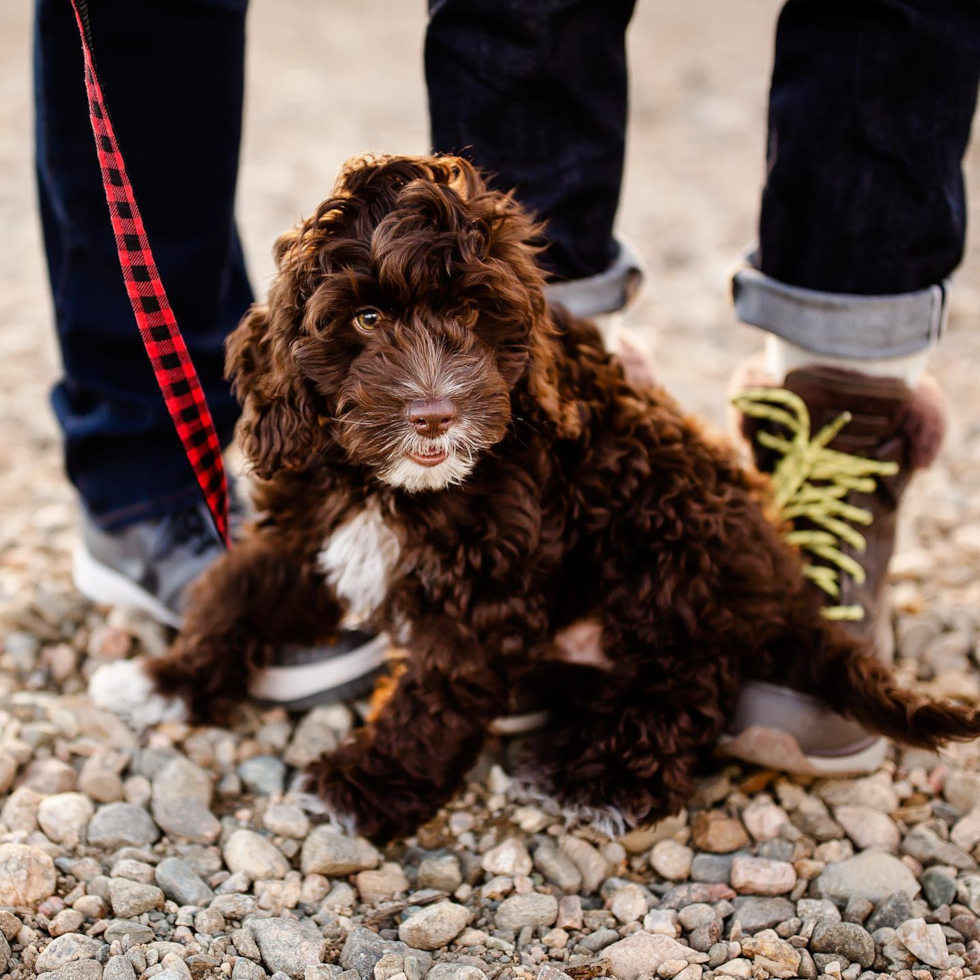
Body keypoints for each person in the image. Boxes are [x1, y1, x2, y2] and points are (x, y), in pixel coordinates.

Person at [35, 0, 979, 769]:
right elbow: (281, 542)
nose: (432, 385)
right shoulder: (307, 413)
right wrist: (194, 665)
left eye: (471, 331)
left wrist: (385, 779)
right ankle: (579, 364)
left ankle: (848, 400)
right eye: (370, 325)